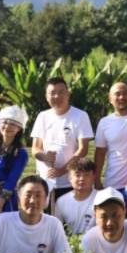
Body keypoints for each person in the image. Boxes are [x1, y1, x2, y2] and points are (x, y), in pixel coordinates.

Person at [0, 175, 72, 253]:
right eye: (28, 195)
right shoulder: (2, 221)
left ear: (45, 200)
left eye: (38, 195)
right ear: (19, 199)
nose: (32, 201)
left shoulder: (54, 224)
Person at [31, 77, 93, 208]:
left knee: (68, 223)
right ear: (46, 96)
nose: (56, 96)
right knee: (46, 222)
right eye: (52, 93)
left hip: (70, 182)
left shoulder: (80, 116)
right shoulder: (42, 116)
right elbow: (35, 149)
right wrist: (45, 157)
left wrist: (62, 170)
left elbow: (83, 149)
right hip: (45, 182)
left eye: (61, 92)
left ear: (68, 94)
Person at [55, 158, 99, 235]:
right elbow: (56, 230)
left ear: (94, 177)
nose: (82, 179)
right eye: (77, 175)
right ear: (70, 178)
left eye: (87, 175)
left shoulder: (102, 198)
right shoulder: (61, 201)